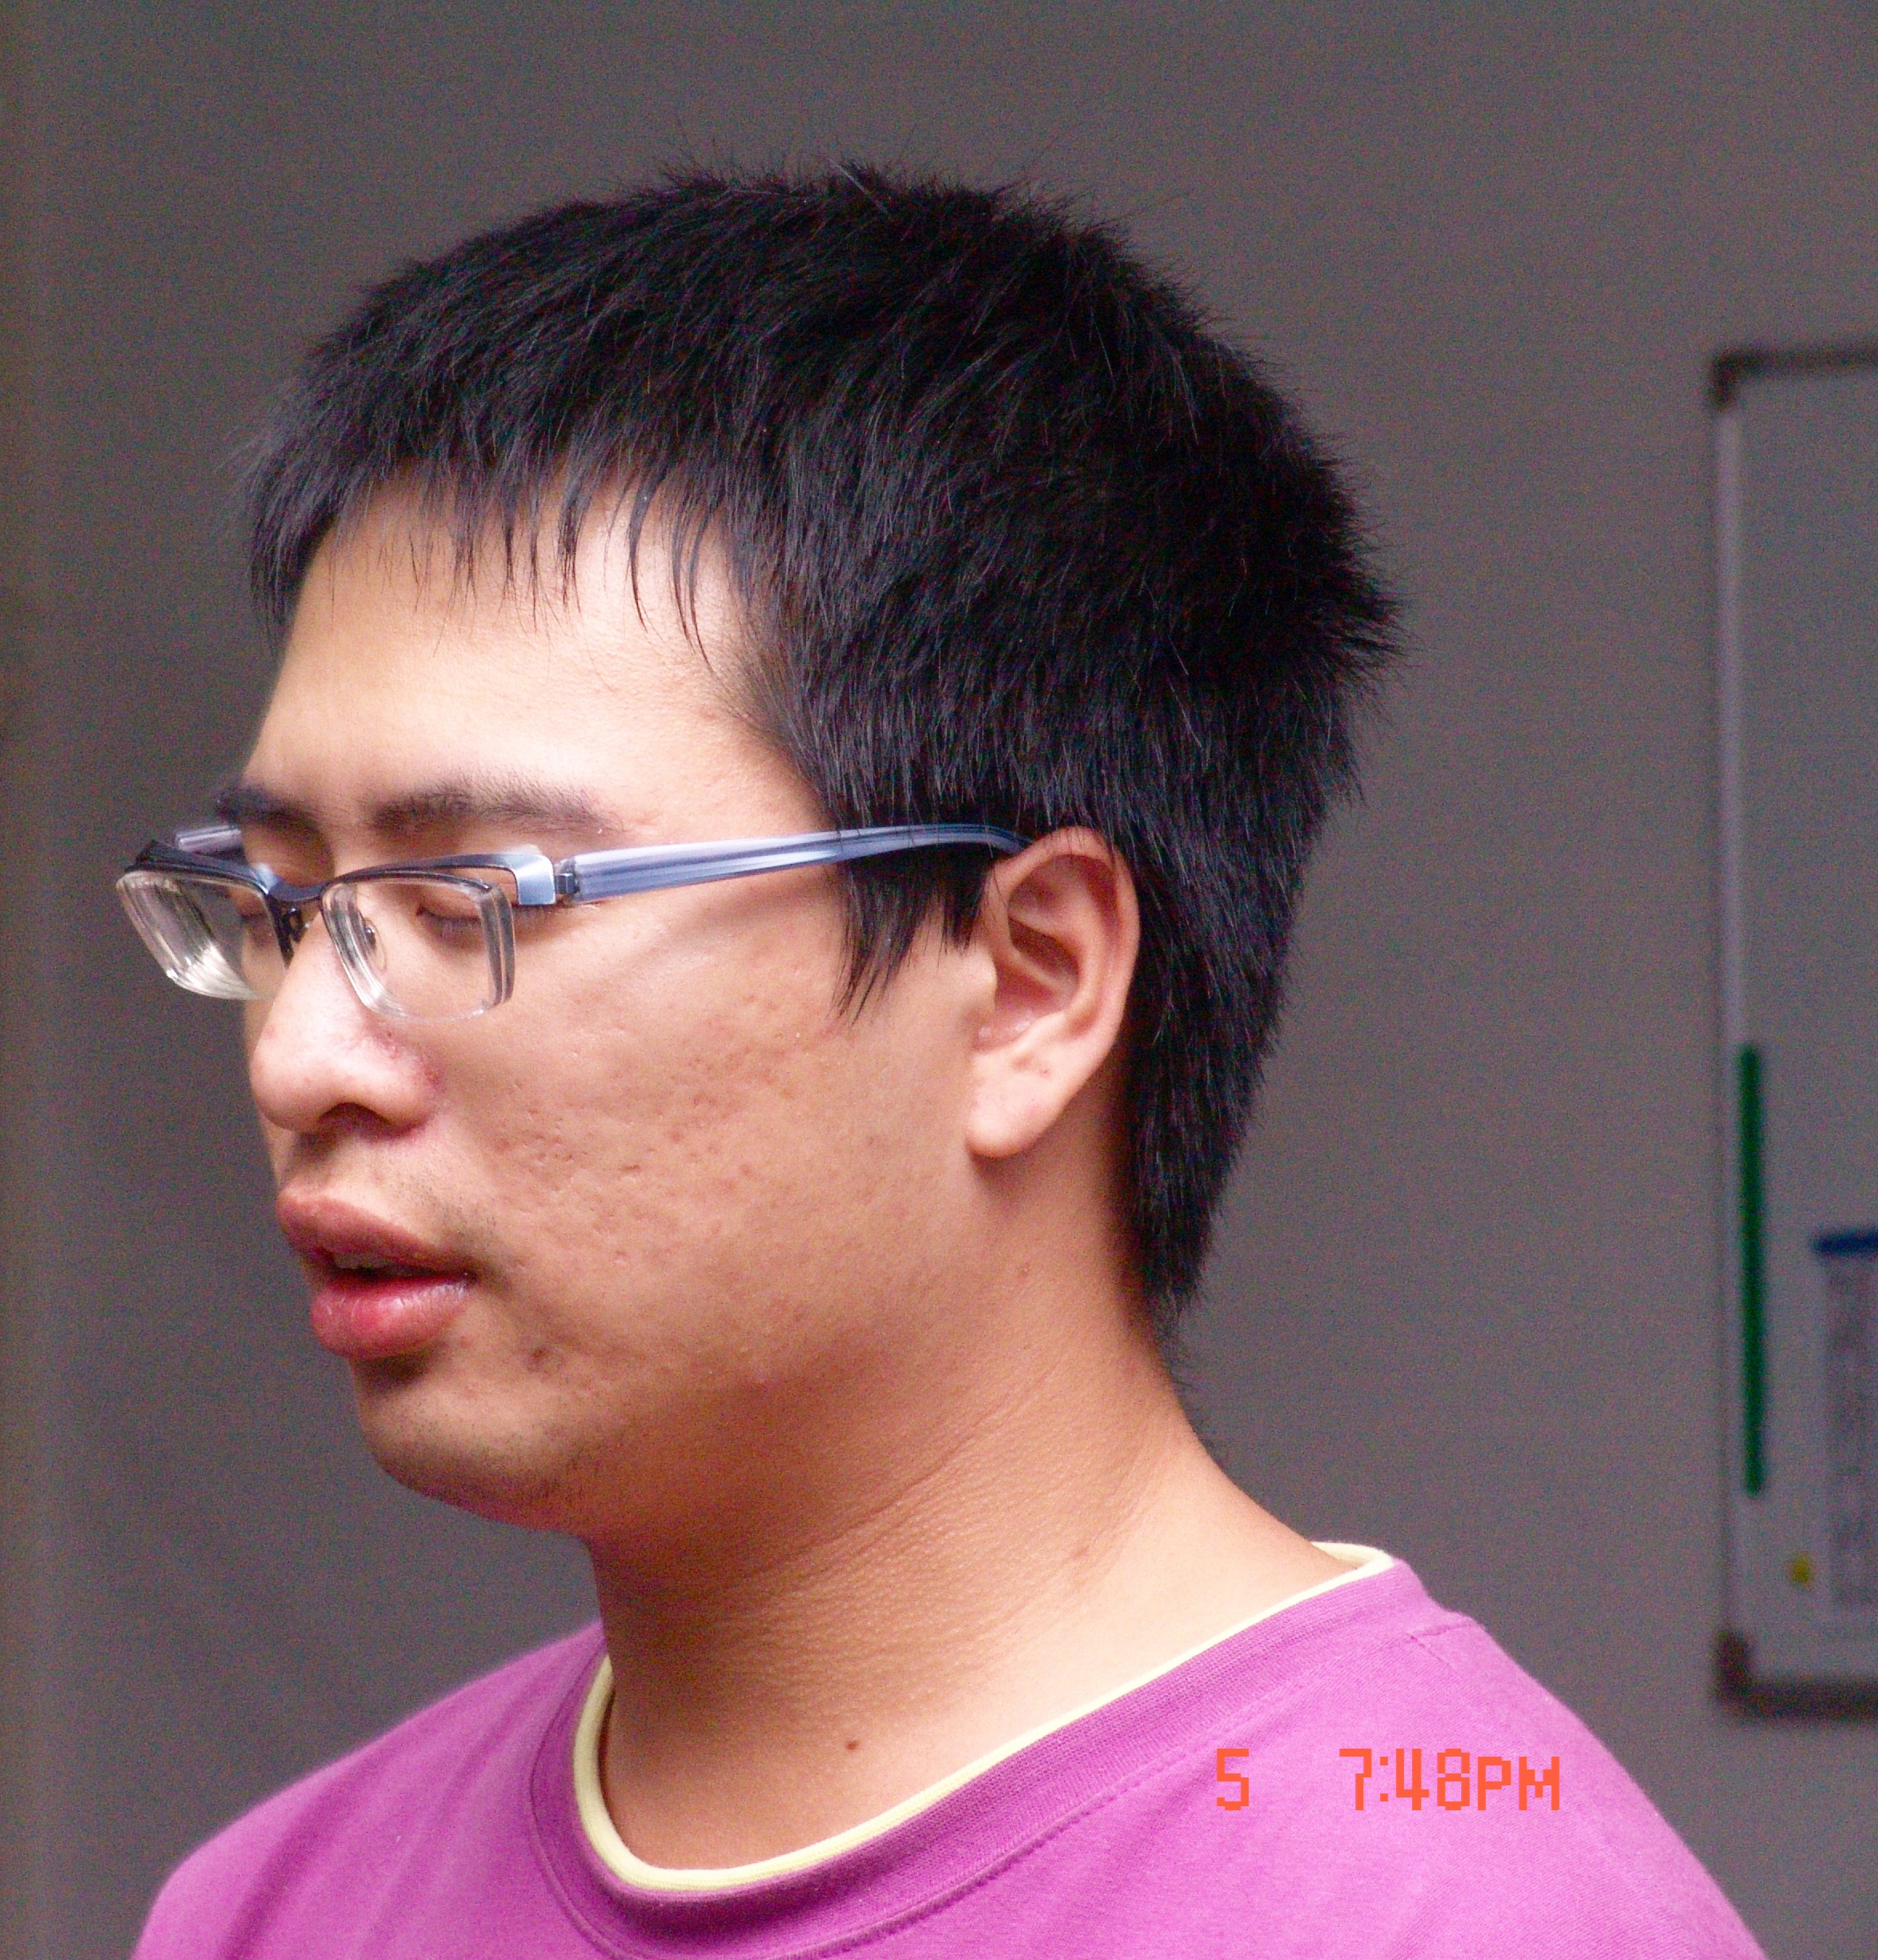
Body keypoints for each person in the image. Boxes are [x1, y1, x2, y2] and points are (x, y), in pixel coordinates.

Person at [122, 166, 1760, 1958]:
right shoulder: (274, 1909)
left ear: (1028, 986)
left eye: (472, 901)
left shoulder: (1458, 1900)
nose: (304, 1057)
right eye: (284, 902)